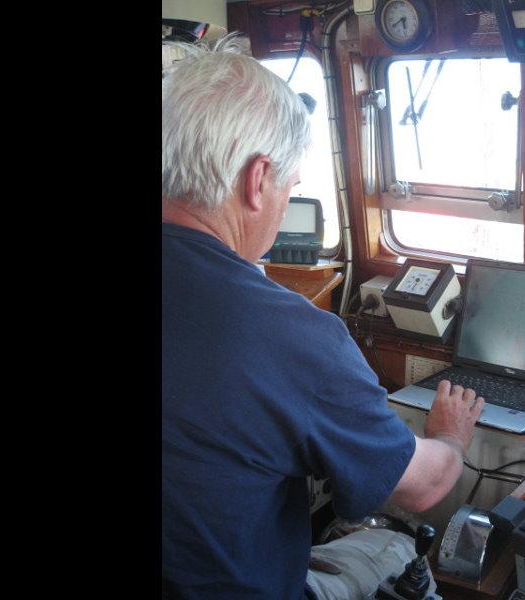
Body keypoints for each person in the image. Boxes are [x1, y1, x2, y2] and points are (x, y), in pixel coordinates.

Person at [162, 36, 484, 600]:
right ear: (257, 180)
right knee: (394, 546)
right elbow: (423, 488)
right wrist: (450, 437)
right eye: (290, 187)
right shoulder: (288, 335)